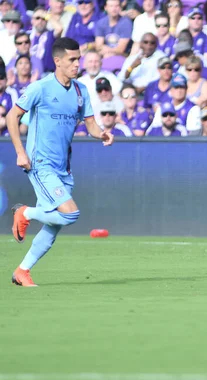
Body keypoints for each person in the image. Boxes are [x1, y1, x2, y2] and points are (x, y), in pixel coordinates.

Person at [7, 37, 114, 287]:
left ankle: (22, 271)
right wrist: (20, 152)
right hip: (40, 164)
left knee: (54, 226)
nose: (78, 64)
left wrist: (102, 133)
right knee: (70, 214)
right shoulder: (40, 88)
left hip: (63, 169)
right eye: (72, 60)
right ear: (57, 61)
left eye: (79, 59)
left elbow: (90, 125)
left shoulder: (80, 91)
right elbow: (13, 116)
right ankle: (25, 212)